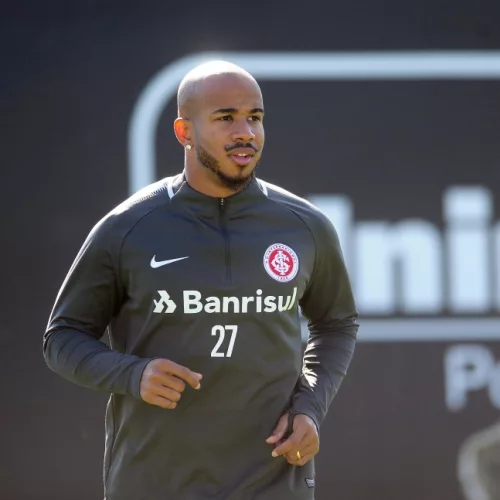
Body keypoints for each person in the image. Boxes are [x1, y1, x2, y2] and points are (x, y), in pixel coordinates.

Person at [43, 60, 359, 500]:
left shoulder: (305, 226)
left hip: (272, 479)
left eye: (255, 117)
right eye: (226, 118)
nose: (245, 131)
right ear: (184, 132)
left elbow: (337, 323)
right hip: (154, 482)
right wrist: (133, 374)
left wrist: (310, 407)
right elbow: (62, 338)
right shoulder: (127, 227)